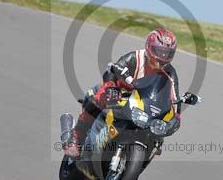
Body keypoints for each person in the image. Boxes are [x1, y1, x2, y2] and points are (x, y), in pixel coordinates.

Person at [63, 28, 181, 158]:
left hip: (143, 102)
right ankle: (76, 138)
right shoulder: (135, 57)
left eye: (167, 53)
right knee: (100, 97)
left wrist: (176, 118)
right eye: (159, 51)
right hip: (119, 93)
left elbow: (175, 98)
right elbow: (112, 70)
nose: (162, 57)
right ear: (149, 47)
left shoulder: (170, 73)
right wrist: (111, 87)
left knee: (159, 131)